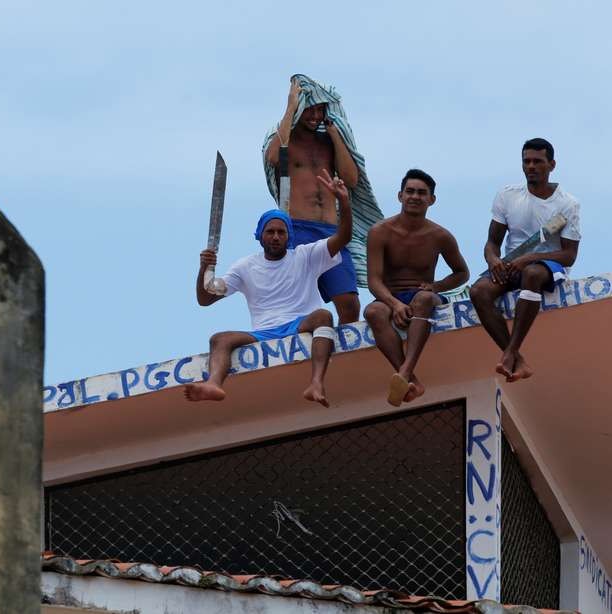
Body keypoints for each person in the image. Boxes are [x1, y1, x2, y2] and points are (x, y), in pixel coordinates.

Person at [185, 169, 351, 407]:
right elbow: (205, 298)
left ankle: (316, 383)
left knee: (323, 315)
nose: (275, 237)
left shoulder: (305, 255)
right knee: (219, 339)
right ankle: (213, 384)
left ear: (289, 236)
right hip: (263, 333)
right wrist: (204, 269)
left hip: (300, 324)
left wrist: (343, 202)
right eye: (270, 232)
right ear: (260, 236)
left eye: (281, 232)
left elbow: (343, 237)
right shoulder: (246, 266)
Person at [469, 138, 581, 382]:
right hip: (511, 264)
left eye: (537, 161)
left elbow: (569, 255)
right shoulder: (507, 196)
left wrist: (531, 257)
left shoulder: (567, 204)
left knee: (532, 273)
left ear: (551, 165)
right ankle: (517, 358)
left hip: (546, 266)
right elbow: (492, 242)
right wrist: (492, 260)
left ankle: (509, 352)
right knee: (478, 291)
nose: (530, 166)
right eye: (526, 161)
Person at [364, 169, 469, 406]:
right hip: (390, 297)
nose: (415, 196)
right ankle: (413, 381)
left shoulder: (441, 235)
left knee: (422, 298)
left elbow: (462, 273)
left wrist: (436, 286)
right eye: (410, 191)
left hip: (423, 297)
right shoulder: (379, 232)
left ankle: (404, 373)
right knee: (373, 312)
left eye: (422, 193)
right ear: (400, 196)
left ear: (431, 200)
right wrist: (394, 303)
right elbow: (374, 281)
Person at [264, 77, 362, 323]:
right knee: (295, 302)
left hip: (331, 231)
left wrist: (335, 133)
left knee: (349, 303)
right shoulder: (286, 139)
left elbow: (351, 178)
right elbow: (274, 157)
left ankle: (344, 359)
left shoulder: (328, 142)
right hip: (298, 228)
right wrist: (290, 108)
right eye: (310, 109)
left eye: (320, 109)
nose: (315, 115)